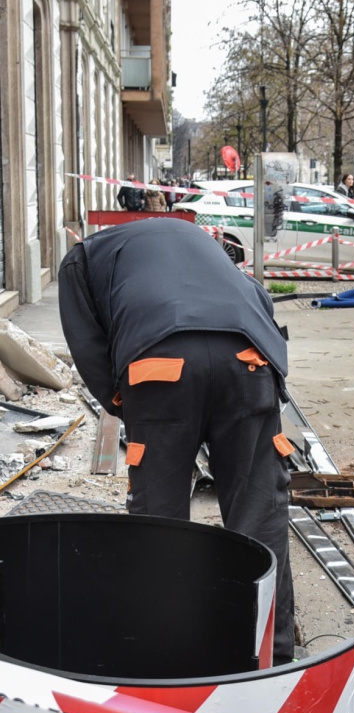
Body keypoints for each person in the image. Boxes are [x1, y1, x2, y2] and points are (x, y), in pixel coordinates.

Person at [58, 218, 295, 666]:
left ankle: (165, 659)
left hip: (159, 367)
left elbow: (87, 345)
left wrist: (125, 404)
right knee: (260, 511)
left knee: (160, 522)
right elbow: (258, 300)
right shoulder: (201, 242)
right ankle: (271, 658)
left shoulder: (83, 258)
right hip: (248, 358)